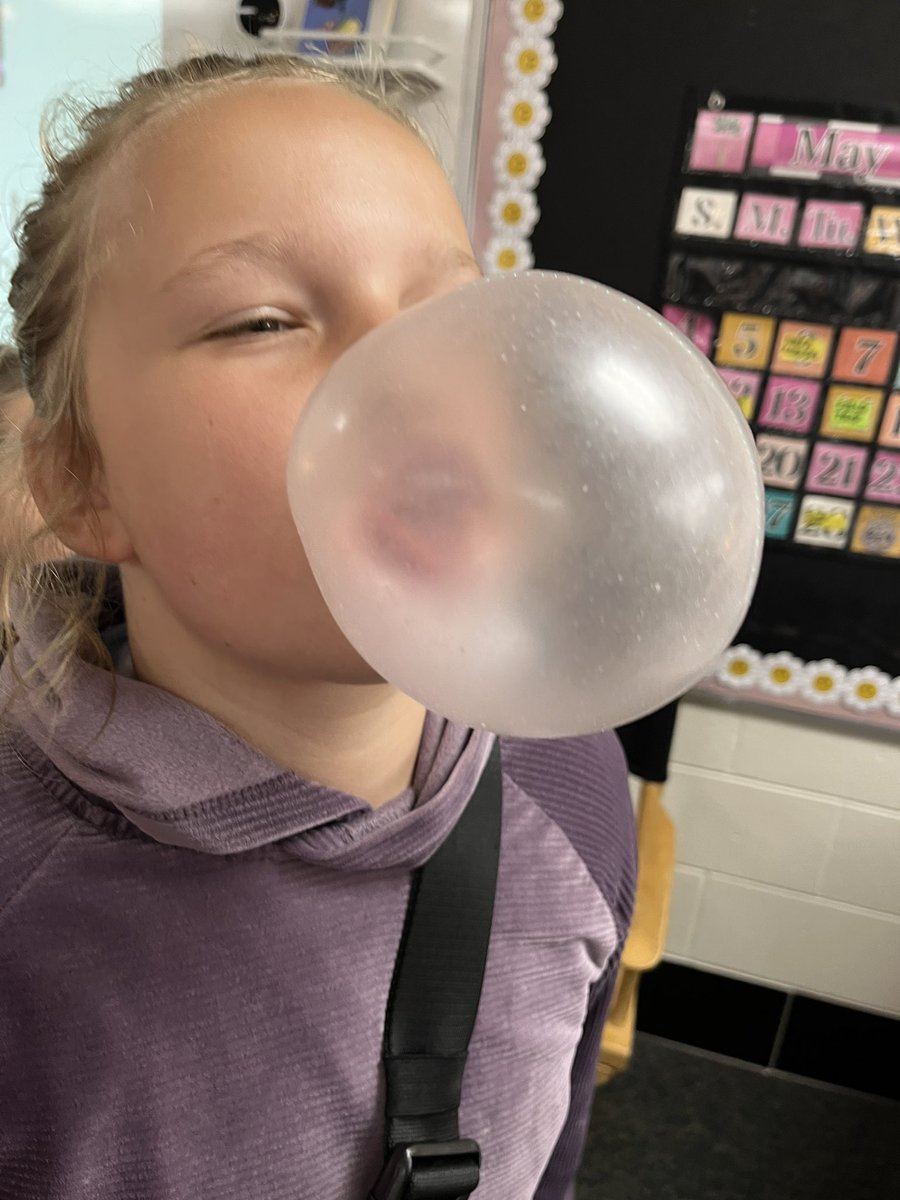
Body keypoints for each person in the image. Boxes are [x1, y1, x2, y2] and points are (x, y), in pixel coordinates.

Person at [0, 54, 636, 1200]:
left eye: (447, 315)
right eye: (260, 320)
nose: (407, 380)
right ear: (85, 482)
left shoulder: (572, 782)